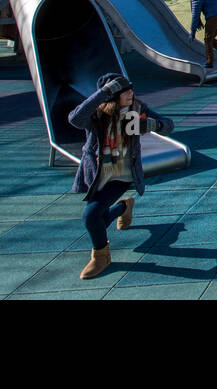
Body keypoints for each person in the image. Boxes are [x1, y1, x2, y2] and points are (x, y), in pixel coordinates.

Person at [69, 73, 175, 279]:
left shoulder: (137, 110)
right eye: (124, 91)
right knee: (97, 218)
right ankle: (124, 207)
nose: (131, 93)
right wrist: (103, 92)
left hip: (123, 174)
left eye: (131, 89)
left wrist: (155, 125)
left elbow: (168, 124)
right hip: (100, 173)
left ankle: (101, 257)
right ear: (111, 96)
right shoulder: (96, 114)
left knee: (90, 217)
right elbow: (74, 119)